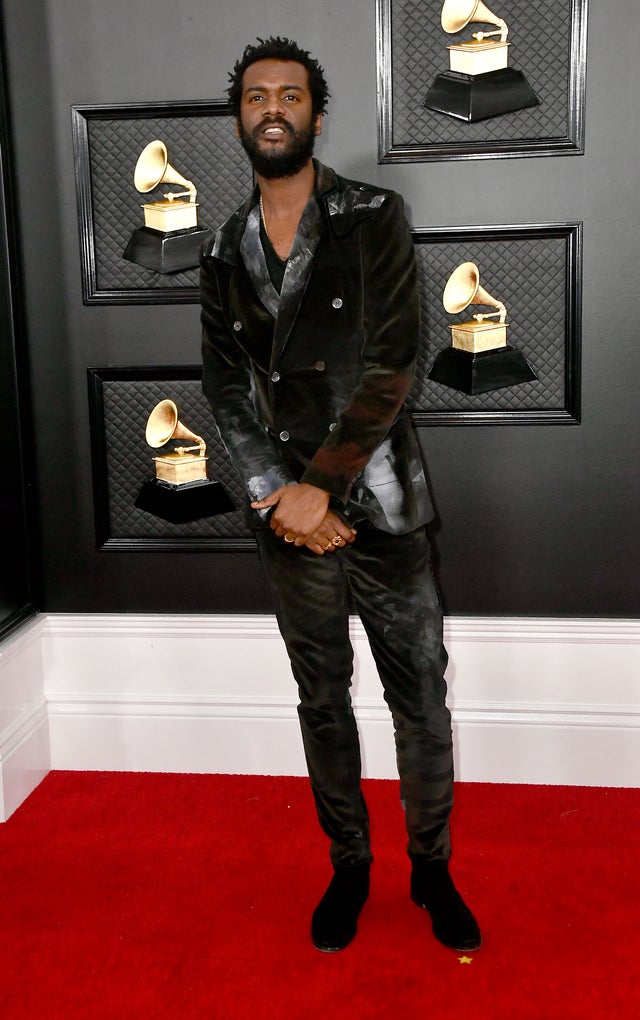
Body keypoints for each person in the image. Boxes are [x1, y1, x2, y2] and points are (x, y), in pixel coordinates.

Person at [200, 36, 481, 954]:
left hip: (383, 502)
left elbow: (394, 363)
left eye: (290, 94)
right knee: (321, 698)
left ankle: (431, 868)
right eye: (255, 95)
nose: (272, 107)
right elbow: (225, 387)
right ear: (239, 117)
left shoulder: (373, 216)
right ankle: (349, 865)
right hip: (286, 514)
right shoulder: (218, 246)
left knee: (419, 698)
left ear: (318, 115)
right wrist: (281, 494)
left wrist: (323, 487)